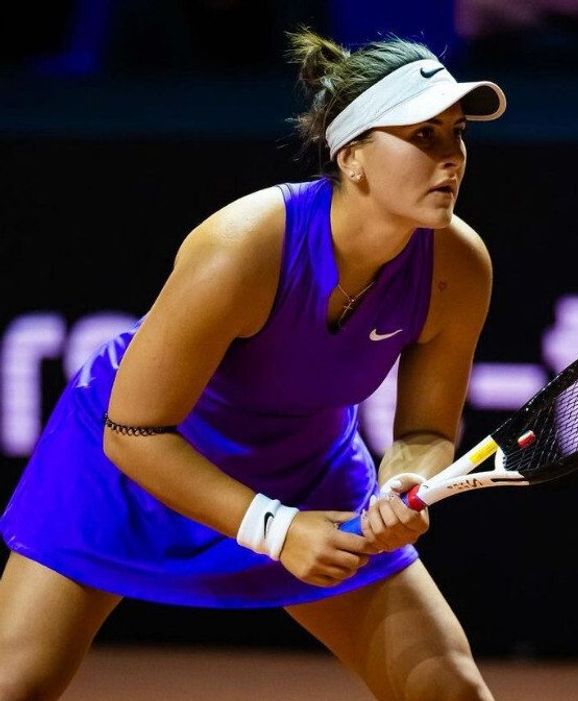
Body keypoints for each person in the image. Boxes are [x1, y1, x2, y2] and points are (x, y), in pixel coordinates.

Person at [0, 28, 507, 701]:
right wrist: (271, 526)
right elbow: (134, 430)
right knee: (17, 682)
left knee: (448, 690)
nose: (452, 158)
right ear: (352, 157)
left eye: (457, 134)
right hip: (131, 462)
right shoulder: (244, 245)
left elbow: (423, 431)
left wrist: (401, 490)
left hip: (305, 467)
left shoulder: (457, 265)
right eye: (423, 137)